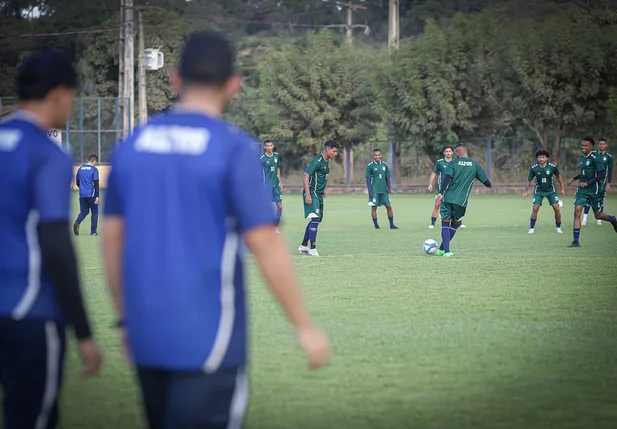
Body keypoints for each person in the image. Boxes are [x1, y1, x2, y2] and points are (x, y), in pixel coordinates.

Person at [102, 31, 331, 429]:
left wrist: (125, 320)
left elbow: (112, 240)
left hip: (146, 336)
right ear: (234, 85)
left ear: (174, 78)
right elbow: (264, 241)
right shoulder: (233, 148)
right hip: (209, 339)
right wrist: (305, 327)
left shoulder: (132, 146)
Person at [0, 50, 102, 429]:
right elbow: (56, 245)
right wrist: (85, 332)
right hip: (29, 310)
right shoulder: (48, 153)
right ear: (60, 93)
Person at [434, 144, 492, 257]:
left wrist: (440, 192)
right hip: (461, 201)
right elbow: (485, 181)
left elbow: (447, 178)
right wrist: (490, 186)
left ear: (459, 152)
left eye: (455, 153)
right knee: (455, 224)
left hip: (448, 198)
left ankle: (444, 250)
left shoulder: (453, 163)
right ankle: (444, 250)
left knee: (445, 224)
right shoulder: (475, 165)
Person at [566, 137, 617, 247]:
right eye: (582, 145)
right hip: (582, 190)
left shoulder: (596, 158)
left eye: (585, 145)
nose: (583, 147)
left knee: (598, 215)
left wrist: (588, 183)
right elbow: (584, 173)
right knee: (577, 211)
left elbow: (602, 174)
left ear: (591, 147)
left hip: (594, 190)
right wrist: (574, 178)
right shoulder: (582, 157)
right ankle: (575, 241)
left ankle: (612, 219)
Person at [298, 139, 342, 257]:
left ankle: (303, 245)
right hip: (312, 193)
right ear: (327, 149)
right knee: (316, 219)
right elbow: (306, 175)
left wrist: (323, 189)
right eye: (334, 151)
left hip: (318, 193)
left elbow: (321, 178)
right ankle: (312, 248)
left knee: (317, 219)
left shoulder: (326, 161)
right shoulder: (317, 160)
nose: (335, 153)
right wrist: (308, 194)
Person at [522, 149, 565, 234]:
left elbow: (558, 176)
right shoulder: (534, 168)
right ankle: (531, 228)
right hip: (539, 191)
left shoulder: (552, 167)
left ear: (547, 158)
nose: (541, 159)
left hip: (550, 191)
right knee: (535, 208)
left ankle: (558, 227)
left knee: (556, 208)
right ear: (537, 158)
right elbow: (529, 180)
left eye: (543, 157)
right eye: (539, 157)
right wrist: (525, 191)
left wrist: (562, 188)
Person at [428, 146, 466, 229]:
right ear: (444, 153)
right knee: (437, 205)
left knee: (456, 206)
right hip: (442, 188)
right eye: (446, 151)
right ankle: (432, 223)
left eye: (450, 151)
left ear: (452, 153)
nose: (448, 153)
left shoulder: (457, 162)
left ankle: (459, 223)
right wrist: (430, 183)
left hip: (453, 189)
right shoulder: (440, 162)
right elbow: (434, 173)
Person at [582, 137, 613, 226]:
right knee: (588, 199)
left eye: (603, 144)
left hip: (602, 182)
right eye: (600, 144)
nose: (601, 146)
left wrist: (608, 184)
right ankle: (584, 219)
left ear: (606, 145)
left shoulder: (608, 157)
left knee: (601, 200)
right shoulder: (593, 154)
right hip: (592, 181)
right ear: (597, 145)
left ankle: (599, 220)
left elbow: (610, 171)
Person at [365, 148, 398, 229]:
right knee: (374, 207)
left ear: (381, 155)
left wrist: (389, 188)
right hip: (374, 190)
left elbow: (387, 177)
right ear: (373, 156)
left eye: (379, 155)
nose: (377, 156)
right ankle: (376, 225)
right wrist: (370, 191)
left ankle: (391, 225)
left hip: (383, 190)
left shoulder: (385, 165)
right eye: (375, 155)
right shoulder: (370, 166)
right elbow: (368, 179)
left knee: (389, 206)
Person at [73, 154, 100, 236]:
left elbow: (77, 181)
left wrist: (82, 188)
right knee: (95, 212)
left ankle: (77, 223)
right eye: (96, 162)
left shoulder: (80, 169)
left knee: (84, 211)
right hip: (91, 194)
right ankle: (93, 232)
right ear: (93, 161)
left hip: (82, 195)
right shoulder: (94, 170)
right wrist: (97, 196)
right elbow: (96, 184)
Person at [260, 139, 283, 231]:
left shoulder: (277, 156)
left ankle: (275, 226)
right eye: (267, 146)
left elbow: (278, 169)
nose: (269, 147)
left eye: (271, 145)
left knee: (280, 207)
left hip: (276, 185)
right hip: (266, 186)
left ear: (273, 146)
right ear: (265, 147)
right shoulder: (262, 159)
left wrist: (280, 182)